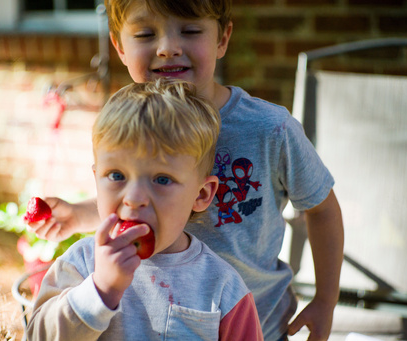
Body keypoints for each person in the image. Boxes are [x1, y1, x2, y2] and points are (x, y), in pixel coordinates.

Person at [27, 0, 344, 340]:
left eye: (190, 30)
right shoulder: (130, 121)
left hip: (257, 324)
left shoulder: (270, 129)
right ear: (119, 44)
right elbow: (137, 203)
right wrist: (79, 214)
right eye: (146, 33)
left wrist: (326, 299)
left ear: (222, 39)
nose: (167, 48)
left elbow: (322, 210)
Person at [27, 79, 264, 340]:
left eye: (162, 179)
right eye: (117, 175)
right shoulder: (82, 264)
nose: (134, 198)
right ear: (96, 180)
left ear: (201, 194)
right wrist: (99, 291)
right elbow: (37, 335)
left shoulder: (222, 286)